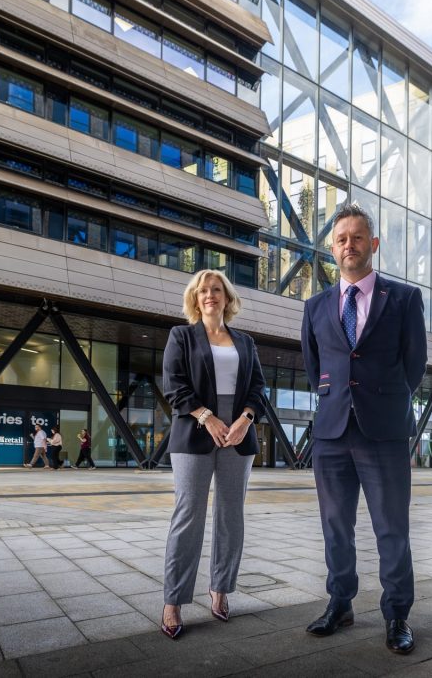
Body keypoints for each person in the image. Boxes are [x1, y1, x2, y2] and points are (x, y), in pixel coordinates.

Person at [300, 203, 427, 655]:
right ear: (332, 249)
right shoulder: (315, 307)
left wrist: (382, 400)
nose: (349, 245)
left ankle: (396, 615)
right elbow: (316, 370)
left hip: (384, 432)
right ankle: (340, 602)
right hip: (332, 433)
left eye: (357, 237)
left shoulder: (405, 299)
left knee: (391, 528)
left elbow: (415, 365)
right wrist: (341, 398)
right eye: (341, 239)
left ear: (373, 245)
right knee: (336, 526)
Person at [158, 269, 265, 640]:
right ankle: (173, 601)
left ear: (227, 297)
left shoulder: (245, 342)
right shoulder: (181, 336)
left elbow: (258, 388)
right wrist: (206, 416)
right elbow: (173, 384)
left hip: (238, 433)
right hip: (194, 431)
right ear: (194, 297)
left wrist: (244, 420)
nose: (210, 295)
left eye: (216, 289)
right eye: (203, 290)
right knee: (188, 515)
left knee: (230, 514)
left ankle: (220, 589)